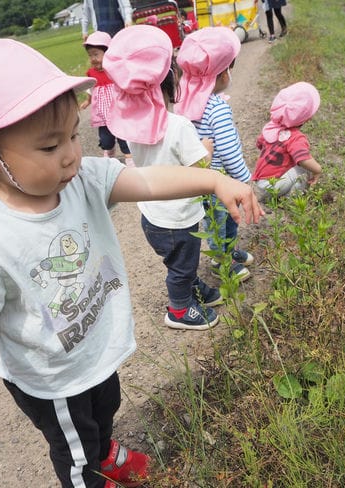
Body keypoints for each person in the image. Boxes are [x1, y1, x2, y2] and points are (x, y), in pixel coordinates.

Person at [0, 39, 263, 488]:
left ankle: (105, 451)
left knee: (105, 406)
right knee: (73, 448)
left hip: (95, 348)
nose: (72, 153)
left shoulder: (84, 180)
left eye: (74, 134)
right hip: (53, 379)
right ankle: (89, 473)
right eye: (51, 147)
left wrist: (212, 179)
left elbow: (148, 179)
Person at [104, 25, 253, 330]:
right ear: (170, 81)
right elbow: (199, 169)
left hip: (152, 216)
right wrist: (207, 150)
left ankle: (195, 287)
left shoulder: (135, 126)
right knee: (181, 266)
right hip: (178, 218)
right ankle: (179, 309)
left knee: (179, 263)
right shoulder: (179, 125)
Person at [175, 26, 255, 282]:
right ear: (221, 75)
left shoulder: (185, 101)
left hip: (201, 178)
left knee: (216, 220)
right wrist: (243, 177)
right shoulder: (217, 108)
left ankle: (227, 250)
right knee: (224, 220)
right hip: (221, 179)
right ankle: (223, 260)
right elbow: (229, 150)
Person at [251, 81, 322, 200]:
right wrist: (318, 170)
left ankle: (279, 194)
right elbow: (303, 159)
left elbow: (259, 144)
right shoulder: (296, 138)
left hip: (258, 184)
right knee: (304, 170)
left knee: (294, 166)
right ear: (308, 118)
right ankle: (291, 200)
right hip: (271, 187)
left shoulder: (270, 128)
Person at [80, 31, 134, 167]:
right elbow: (91, 90)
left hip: (119, 113)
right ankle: (109, 158)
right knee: (106, 140)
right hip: (102, 116)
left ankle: (130, 159)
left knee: (123, 137)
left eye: (96, 54)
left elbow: (124, 84)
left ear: (108, 53)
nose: (93, 58)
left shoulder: (114, 69)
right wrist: (88, 101)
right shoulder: (90, 73)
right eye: (90, 55)